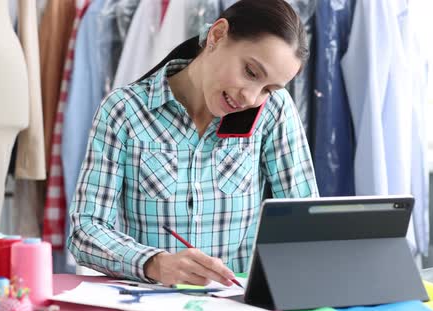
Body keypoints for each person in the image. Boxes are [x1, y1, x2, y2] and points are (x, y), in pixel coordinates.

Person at [67, 0, 319, 287]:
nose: (251, 98)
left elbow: (304, 224)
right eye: (250, 72)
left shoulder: (273, 110)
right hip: (152, 303)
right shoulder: (125, 111)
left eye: (268, 89)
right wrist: (155, 263)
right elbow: (85, 231)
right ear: (217, 35)